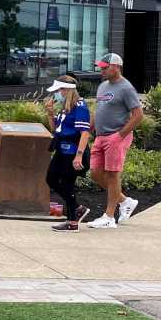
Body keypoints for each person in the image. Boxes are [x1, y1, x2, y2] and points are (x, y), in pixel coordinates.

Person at [86, 53, 144, 230]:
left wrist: (120, 135)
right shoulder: (103, 86)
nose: (101, 70)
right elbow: (98, 110)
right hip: (101, 136)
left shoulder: (126, 88)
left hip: (116, 136)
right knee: (95, 173)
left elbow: (138, 115)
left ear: (117, 67)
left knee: (112, 175)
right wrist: (89, 131)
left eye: (105, 67)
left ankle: (109, 216)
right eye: (101, 67)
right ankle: (125, 201)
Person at [45, 76, 93, 231]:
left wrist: (79, 156)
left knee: (67, 184)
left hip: (72, 152)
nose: (57, 93)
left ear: (66, 90)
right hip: (61, 149)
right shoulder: (66, 107)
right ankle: (77, 208)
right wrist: (50, 114)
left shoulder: (80, 107)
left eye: (59, 90)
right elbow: (56, 129)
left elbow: (85, 133)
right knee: (51, 179)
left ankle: (72, 221)